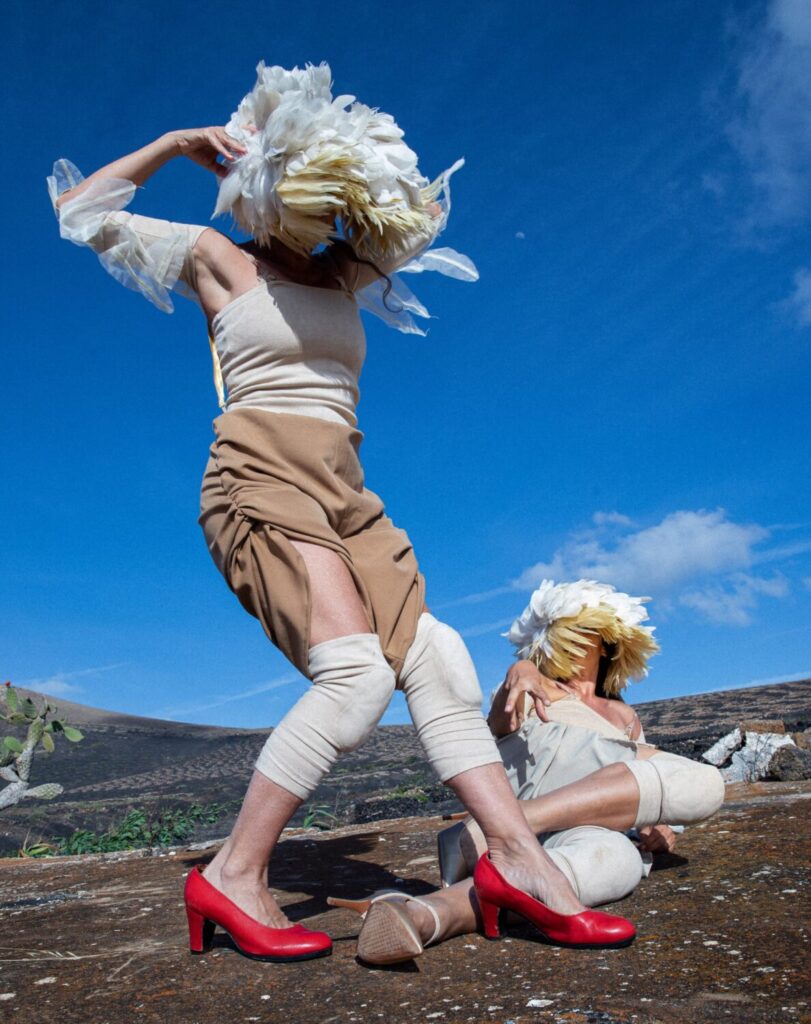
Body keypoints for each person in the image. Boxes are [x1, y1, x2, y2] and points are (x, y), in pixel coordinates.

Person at [47, 65, 635, 964]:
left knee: (438, 660)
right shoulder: (217, 259)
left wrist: (336, 168)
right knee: (355, 678)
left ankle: (517, 860)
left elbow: (423, 214)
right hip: (259, 475)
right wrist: (181, 146)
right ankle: (233, 876)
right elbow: (80, 213)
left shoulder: (347, 266)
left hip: (346, 489)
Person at [334, 580, 724, 965]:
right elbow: (497, 724)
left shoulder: (625, 717)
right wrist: (517, 675)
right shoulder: (532, 686)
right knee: (704, 782)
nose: (580, 641)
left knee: (620, 861)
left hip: (584, 829)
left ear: (609, 642)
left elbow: (643, 785)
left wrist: (656, 828)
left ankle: (423, 916)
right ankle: (507, 825)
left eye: (591, 632)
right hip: (520, 824)